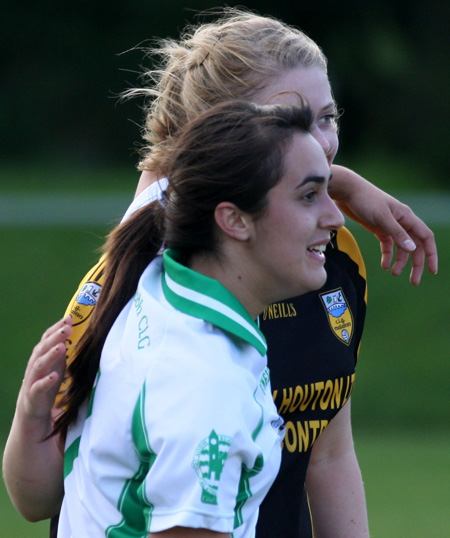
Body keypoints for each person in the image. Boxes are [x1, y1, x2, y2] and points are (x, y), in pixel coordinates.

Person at [2, 8, 437, 538]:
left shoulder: (330, 258)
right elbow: (40, 493)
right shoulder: (147, 282)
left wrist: (329, 187)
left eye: (327, 118)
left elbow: (329, 455)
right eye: (291, 120)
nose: (318, 143)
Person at [19, 99, 345, 537]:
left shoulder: (152, 275)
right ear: (233, 219)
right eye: (309, 195)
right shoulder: (207, 387)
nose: (336, 216)